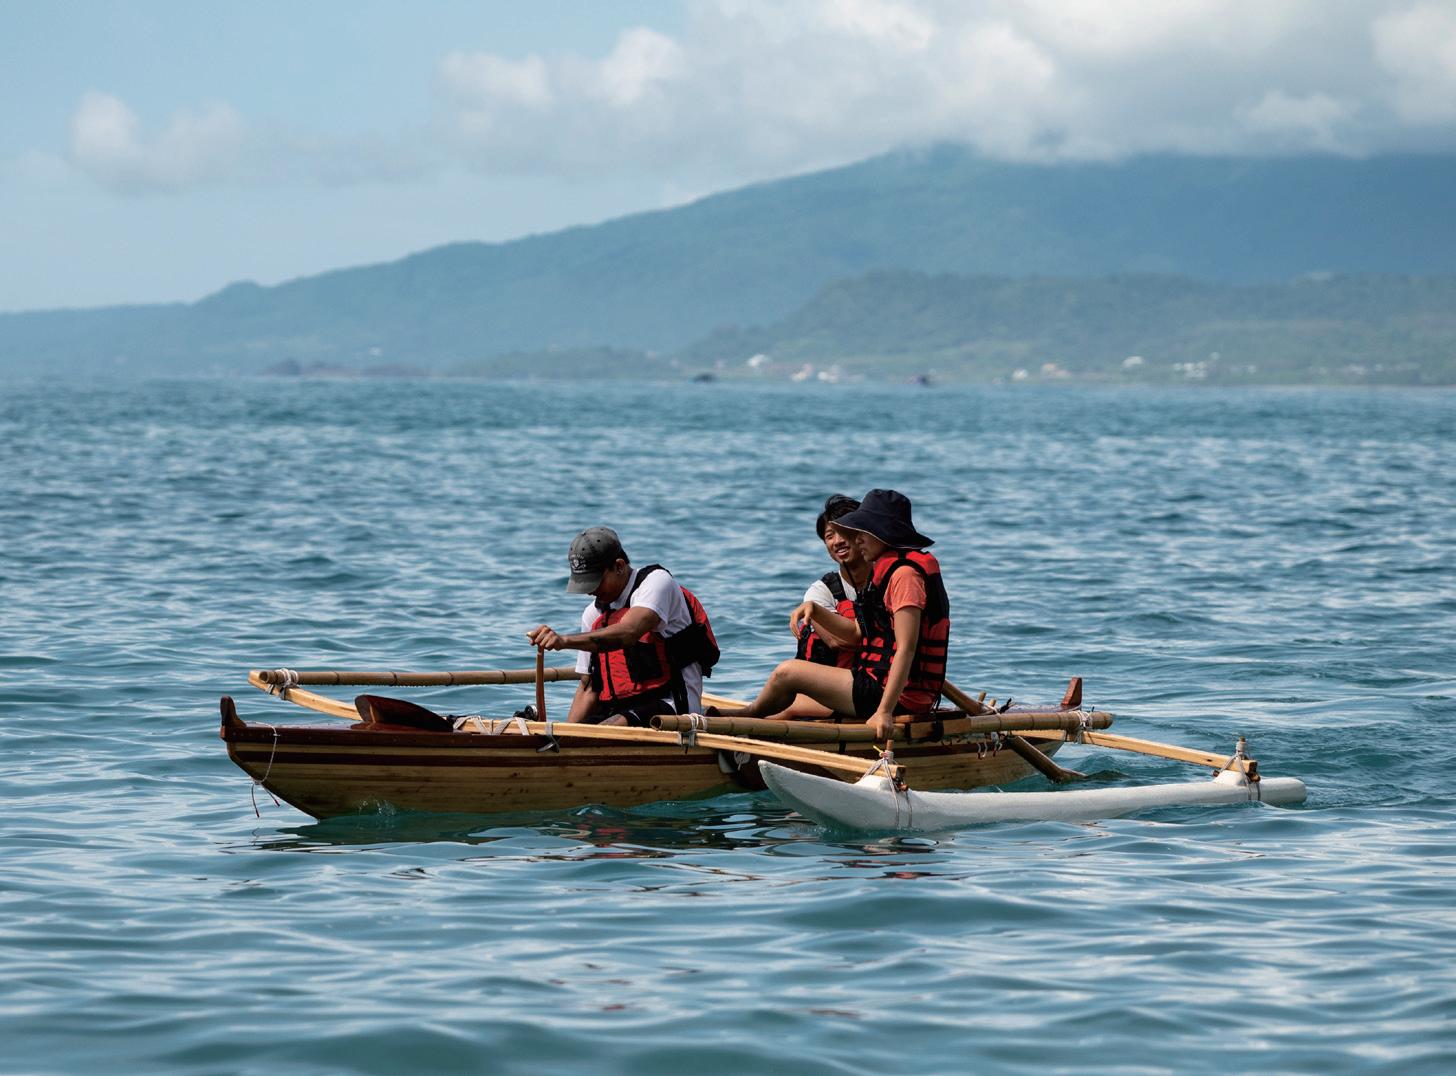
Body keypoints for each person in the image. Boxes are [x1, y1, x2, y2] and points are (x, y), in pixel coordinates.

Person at [731, 489, 950, 740]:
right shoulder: (886, 573)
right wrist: (815, 610)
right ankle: (749, 720)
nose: (857, 540)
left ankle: (747, 716)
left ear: (882, 532)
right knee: (789, 696)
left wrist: (884, 712)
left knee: (787, 673)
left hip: (895, 696)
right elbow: (858, 633)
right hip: (876, 683)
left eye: (862, 533)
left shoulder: (904, 576)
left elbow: (906, 648)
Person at [527, 527, 719, 726]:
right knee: (577, 734)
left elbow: (629, 632)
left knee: (610, 727)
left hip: (673, 706)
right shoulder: (593, 614)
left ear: (619, 566)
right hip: (620, 711)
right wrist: (564, 735)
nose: (590, 592)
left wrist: (564, 641)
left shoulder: (657, 583)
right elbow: (588, 687)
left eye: (595, 582)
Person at [794, 493, 871, 669]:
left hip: (885, 678)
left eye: (843, 532)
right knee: (786, 671)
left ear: (864, 534)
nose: (837, 542)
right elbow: (839, 641)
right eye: (829, 536)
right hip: (834, 681)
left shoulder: (890, 580)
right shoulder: (820, 593)